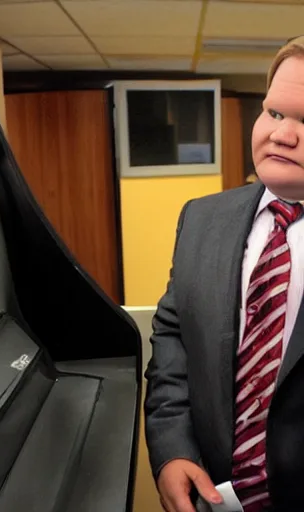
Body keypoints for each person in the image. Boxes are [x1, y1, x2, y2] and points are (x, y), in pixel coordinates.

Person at [145, 37, 304, 512]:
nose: (282, 135)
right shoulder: (200, 219)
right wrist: (172, 449)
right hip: (212, 494)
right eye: (274, 113)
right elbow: (173, 337)